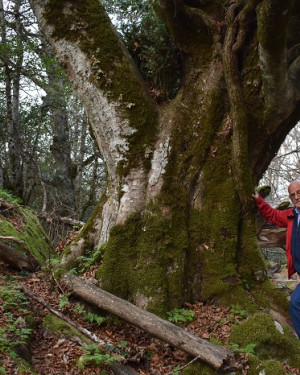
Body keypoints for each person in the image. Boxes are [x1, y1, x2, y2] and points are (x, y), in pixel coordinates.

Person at [252, 180, 300, 338]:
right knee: (295, 304)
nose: (297, 197)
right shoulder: (292, 215)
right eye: (293, 195)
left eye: (299, 192)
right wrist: (258, 199)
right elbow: (272, 215)